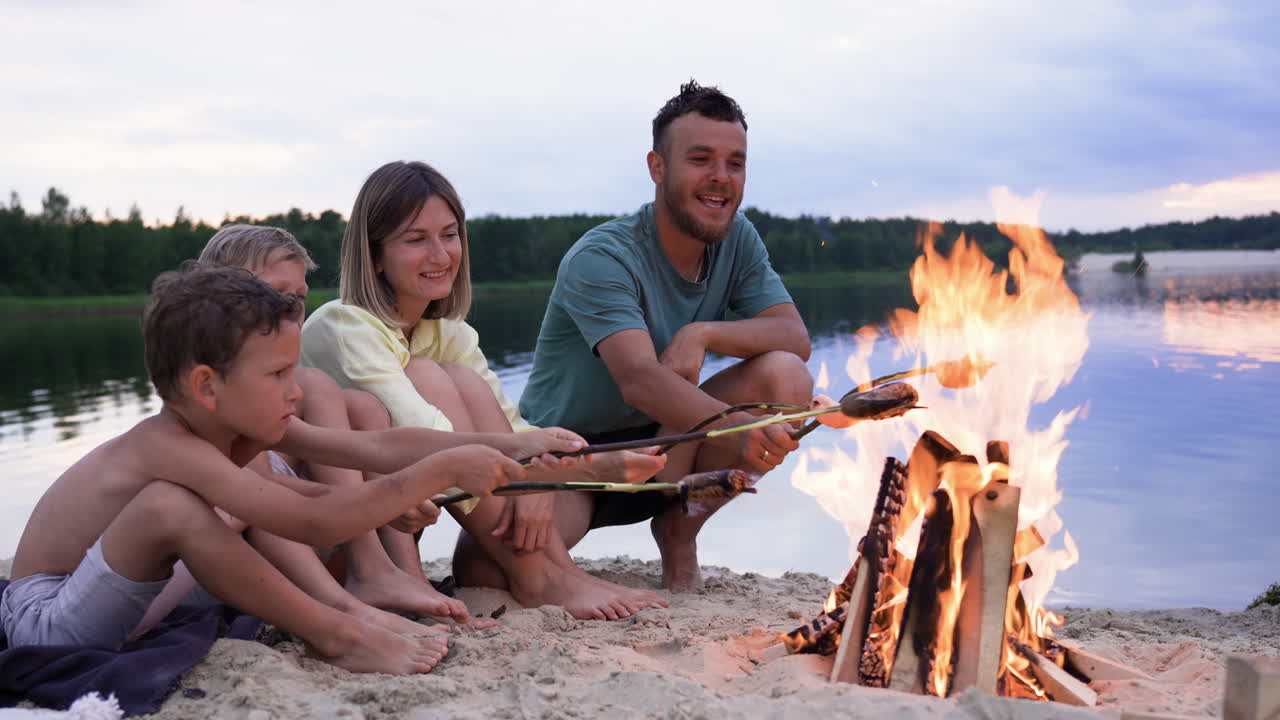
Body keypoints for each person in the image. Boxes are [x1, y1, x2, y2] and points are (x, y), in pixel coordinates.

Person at [0, 265, 526, 675]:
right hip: (48, 619)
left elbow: (373, 449)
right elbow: (312, 524)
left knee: (240, 502)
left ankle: (344, 611)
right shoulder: (164, 446)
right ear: (207, 386)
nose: (295, 390)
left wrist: (497, 446)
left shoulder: (235, 429)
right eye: (277, 374)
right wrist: (440, 472)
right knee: (171, 506)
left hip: (132, 598)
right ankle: (335, 633)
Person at [300, 161, 668, 621]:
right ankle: (539, 577)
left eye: (449, 234)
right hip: (327, 547)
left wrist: (569, 468)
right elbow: (424, 436)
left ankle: (553, 570)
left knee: (462, 379)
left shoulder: (448, 332)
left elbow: (511, 428)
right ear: (375, 254)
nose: (440, 254)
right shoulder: (344, 325)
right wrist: (522, 471)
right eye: (416, 239)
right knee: (429, 377)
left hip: (397, 533)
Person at [520, 80, 814, 590]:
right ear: (658, 167)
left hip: (669, 444)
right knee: (491, 568)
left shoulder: (737, 238)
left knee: (785, 377)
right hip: (577, 458)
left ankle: (679, 529)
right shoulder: (604, 256)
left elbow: (794, 337)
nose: (720, 179)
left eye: (735, 163)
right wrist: (740, 429)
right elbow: (638, 380)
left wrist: (702, 333)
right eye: (701, 159)